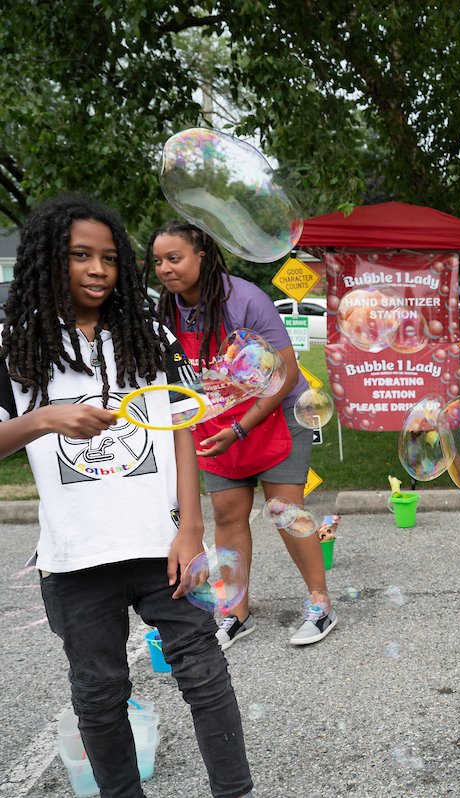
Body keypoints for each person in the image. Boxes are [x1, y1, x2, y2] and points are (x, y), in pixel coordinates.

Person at [0, 194, 253, 798]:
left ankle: (235, 791)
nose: (97, 270)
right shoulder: (15, 345)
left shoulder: (148, 335)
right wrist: (43, 419)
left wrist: (190, 528)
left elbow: (184, 429)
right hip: (75, 557)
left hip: (159, 543)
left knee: (204, 669)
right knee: (99, 691)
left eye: (109, 258)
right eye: (80, 255)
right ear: (45, 259)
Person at [146, 221, 333, 648]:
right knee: (228, 514)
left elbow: (284, 374)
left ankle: (320, 604)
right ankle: (235, 612)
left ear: (202, 256)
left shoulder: (245, 299)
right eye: (158, 261)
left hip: (273, 416)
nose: (164, 269)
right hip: (216, 423)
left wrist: (239, 427)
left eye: (174, 259)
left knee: (286, 509)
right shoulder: (166, 310)